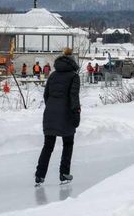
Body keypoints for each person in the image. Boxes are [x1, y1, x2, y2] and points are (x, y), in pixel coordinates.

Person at [35, 47, 81, 186]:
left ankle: (39, 175)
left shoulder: (53, 75)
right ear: (73, 63)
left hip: (50, 113)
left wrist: (52, 106)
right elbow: (73, 97)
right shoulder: (74, 76)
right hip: (66, 114)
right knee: (68, 143)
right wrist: (76, 113)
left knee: (48, 146)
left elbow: (46, 95)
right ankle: (64, 173)